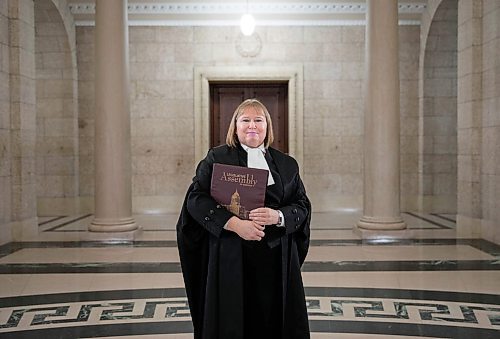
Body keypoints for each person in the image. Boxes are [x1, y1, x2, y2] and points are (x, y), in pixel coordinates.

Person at [176, 98, 311, 339]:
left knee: (274, 319)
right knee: (232, 318)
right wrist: (235, 224)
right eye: (245, 120)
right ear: (235, 126)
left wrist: (278, 216)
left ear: (267, 126)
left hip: (276, 259)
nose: (252, 126)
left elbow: (302, 206)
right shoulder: (217, 158)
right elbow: (196, 200)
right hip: (231, 257)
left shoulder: (287, 164)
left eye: (258, 120)